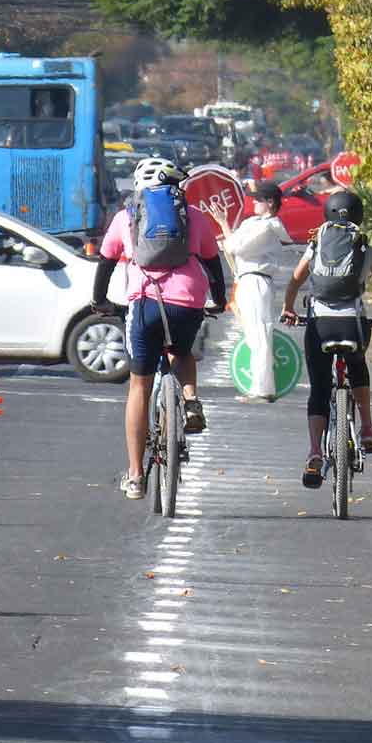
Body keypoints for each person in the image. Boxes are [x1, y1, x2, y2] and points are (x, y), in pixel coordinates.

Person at [94, 156, 226, 500]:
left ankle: (136, 477)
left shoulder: (126, 217)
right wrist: (220, 299)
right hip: (188, 301)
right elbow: (213, 263)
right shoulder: (193, 216)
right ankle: (190, 398)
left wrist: (100, 301)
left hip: (144, 303)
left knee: (139, 385)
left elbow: (106, 263)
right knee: (181, 352)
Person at [279, 188, 372, 489]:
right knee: (357, 366)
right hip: (352, 325)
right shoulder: (366, 249)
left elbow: (295, 280)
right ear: (359, 215)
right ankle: (368, 430)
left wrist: (288, 308)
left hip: (319, 324)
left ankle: (315, 452)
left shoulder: (315, 245)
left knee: (320, 387)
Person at [212, 181, 302, 403]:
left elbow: (235, 247)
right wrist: (223, 223)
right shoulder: (254, 222)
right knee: (253, 333)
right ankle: (259, 387)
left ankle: (263, 388)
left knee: (260, 331)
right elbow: (233, 246)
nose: (254, 201)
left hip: (257, 280)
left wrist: (225, 229)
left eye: (258, 199)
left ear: (270, 203)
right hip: (247, 279)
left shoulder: (268, 226)